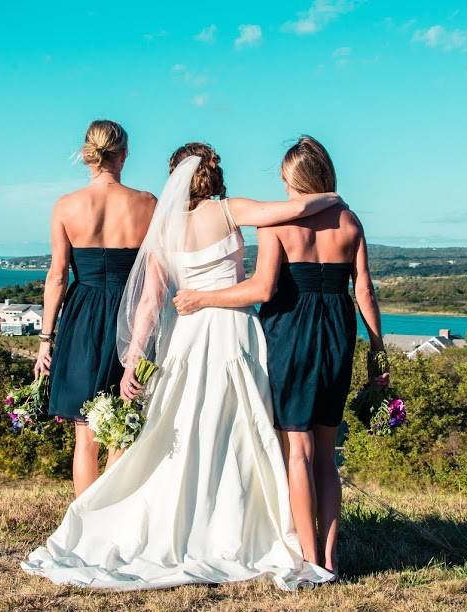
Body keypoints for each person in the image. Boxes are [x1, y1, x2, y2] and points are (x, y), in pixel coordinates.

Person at [22, 143, 342, 590]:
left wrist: (133, 358)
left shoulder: (164, 229)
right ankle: (240, 524)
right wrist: (332, 199)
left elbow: (150, 302)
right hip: (232, 331)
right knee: (236, 429)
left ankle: (183, 520)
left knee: (183, 426)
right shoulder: (230, 211)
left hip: (188, 336)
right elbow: (292, 208)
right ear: (214, 174)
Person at [172, 136, 388, 574]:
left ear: (294, 179)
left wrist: (202, 298)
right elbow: (363, 289)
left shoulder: (275, 226)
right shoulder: (350, 220)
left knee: (298, 452)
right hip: (338, 331)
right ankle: (331, 556)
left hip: (291, 332)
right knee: (327, 452)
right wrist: (377, 349)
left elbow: (263, 289)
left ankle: (310, 560)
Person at [33, 120, 156, 495]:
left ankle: (84, 527)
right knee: (123, 425)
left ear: (89, 154)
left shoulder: (66, 206)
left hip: (83, 316)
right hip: (131, 316)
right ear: (124, 154)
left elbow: (57, 278)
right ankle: (111, 521)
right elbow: (154, 280)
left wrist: (44, 340)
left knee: (85, 436)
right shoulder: (148, 203)